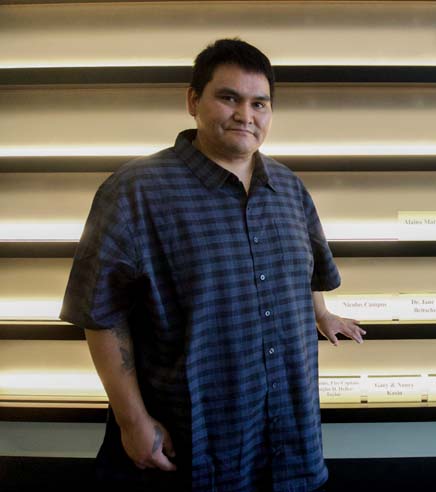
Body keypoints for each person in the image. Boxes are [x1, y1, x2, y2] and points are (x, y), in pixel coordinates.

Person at [60, 38, 365, 492]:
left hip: (287, 434)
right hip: (190, 441)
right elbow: (101, 316)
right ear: (192, 100)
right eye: (229, 98)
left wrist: (321, 313)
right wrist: (132, 422)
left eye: (259, 103)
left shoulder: (289, 187)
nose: (246, 115)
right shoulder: (134, 192)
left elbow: (305, 269)